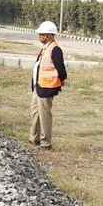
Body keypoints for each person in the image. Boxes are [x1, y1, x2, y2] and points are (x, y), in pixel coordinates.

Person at [31, 20, 67, 150]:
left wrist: (59, 83)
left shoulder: (55, 50)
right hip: (38, 87)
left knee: (44, 115)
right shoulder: (45, 49)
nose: (40, 36)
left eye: (42, 34)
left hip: (47, 88)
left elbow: (61, 70)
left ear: (50, 35)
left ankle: (45, 143)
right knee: (35, 113)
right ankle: (33, 138)